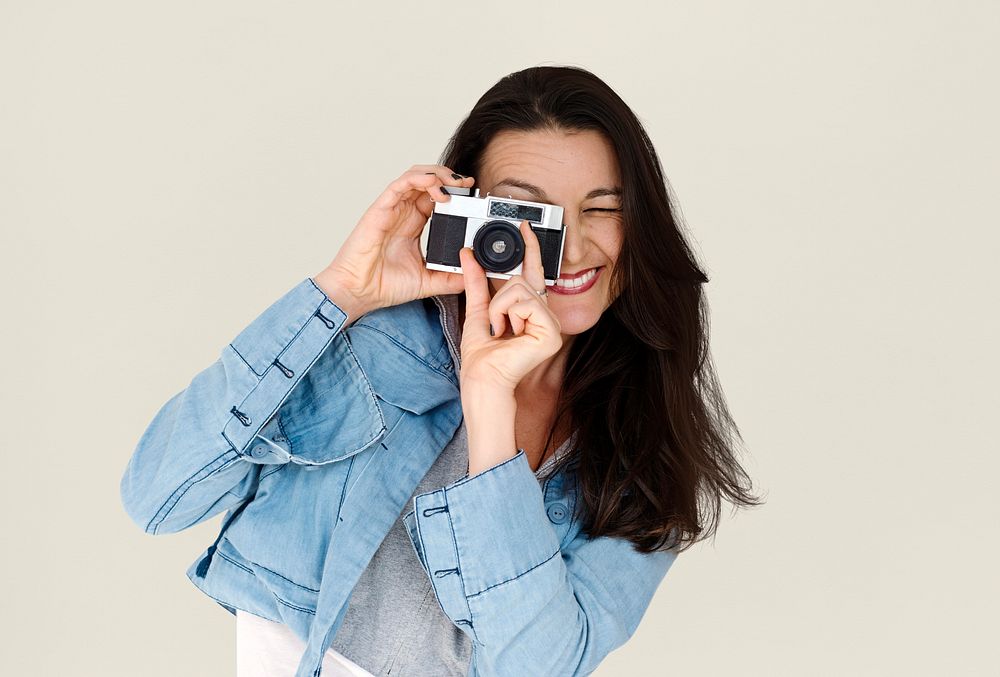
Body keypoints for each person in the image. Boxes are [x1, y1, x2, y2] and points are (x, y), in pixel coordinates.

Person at [120, 65, 761, 677]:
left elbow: (539, 665)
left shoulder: (651, 447)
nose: (567, 246)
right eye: (528, 212)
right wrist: (339, 293)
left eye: (602, 208)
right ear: (470, 216)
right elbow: (157, 498)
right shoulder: (374, 343)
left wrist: (490, 410)